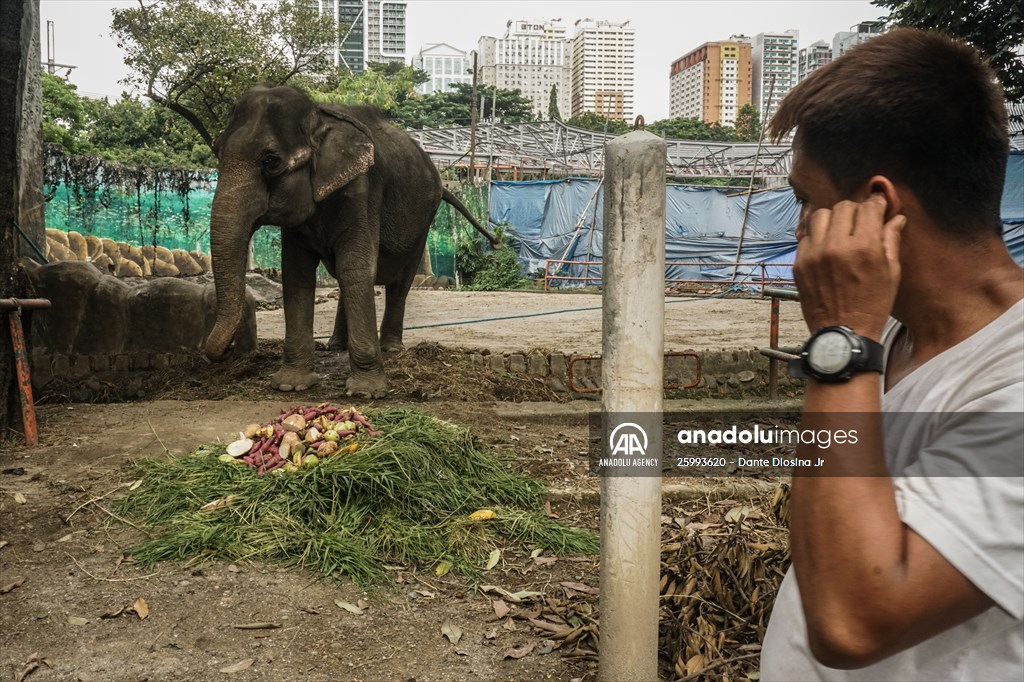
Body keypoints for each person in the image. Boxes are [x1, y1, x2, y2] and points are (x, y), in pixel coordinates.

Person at [759, 28, 1024, 681]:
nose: (798, 230)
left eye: (806, 200)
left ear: (876, 207)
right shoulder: (897, 338)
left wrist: (841, 339)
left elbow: (854, 621)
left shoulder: (1008, 378)